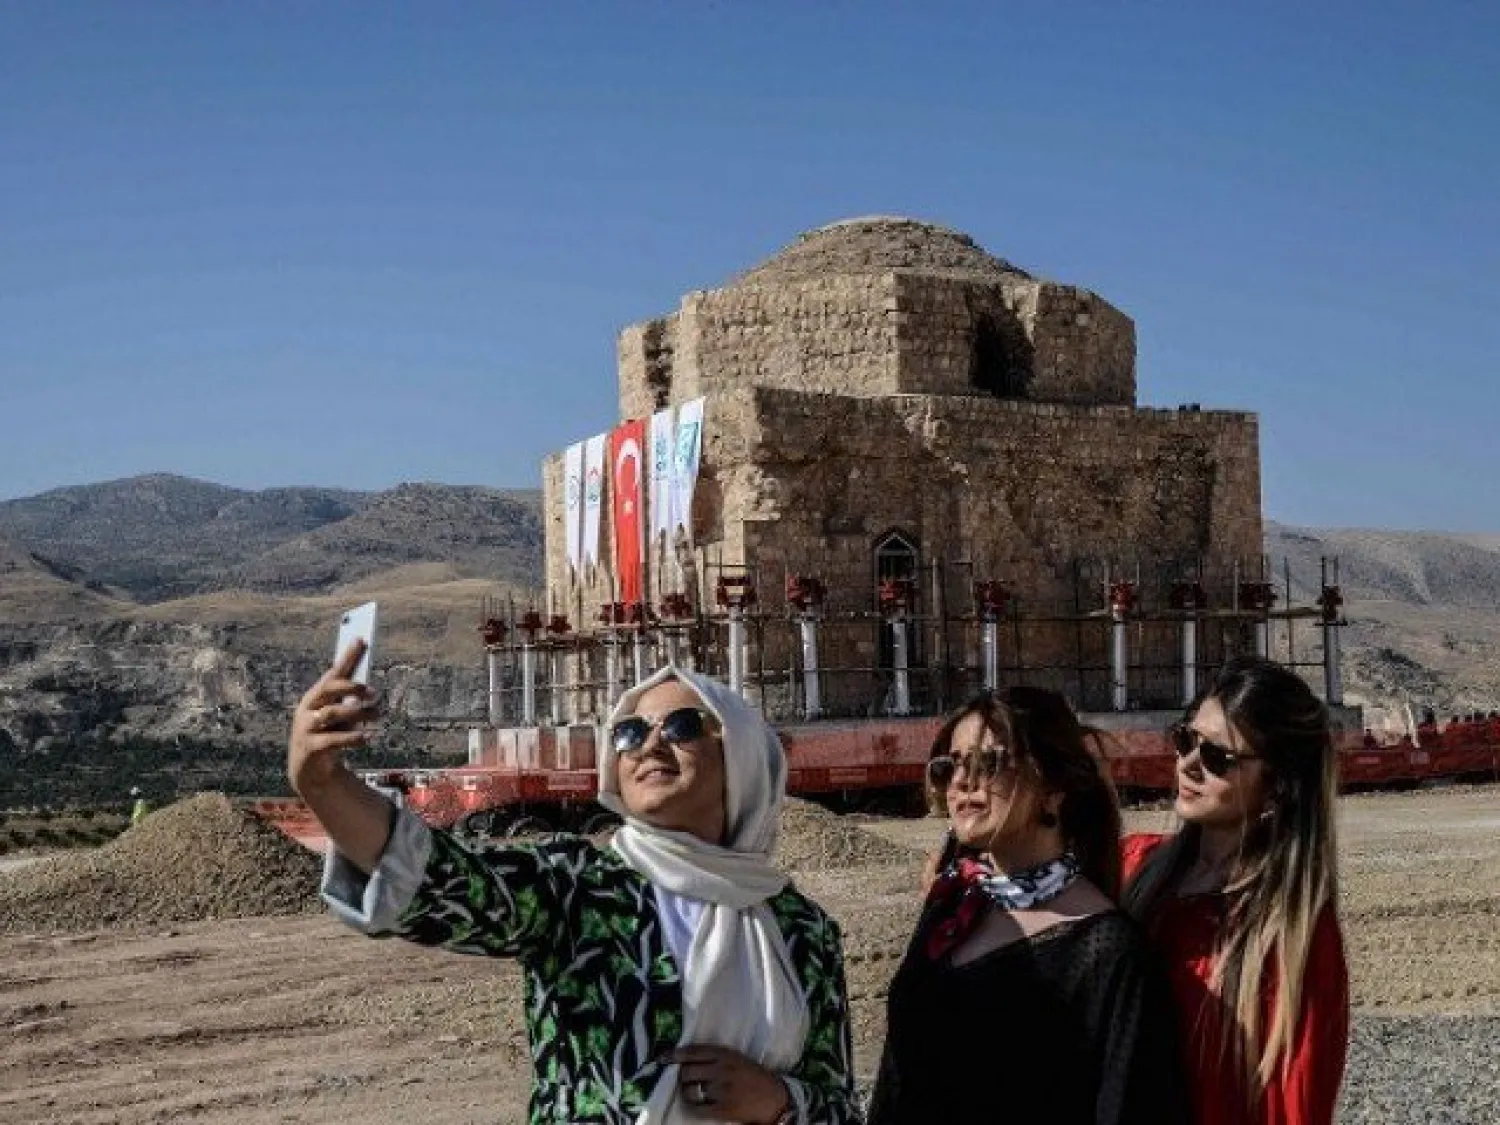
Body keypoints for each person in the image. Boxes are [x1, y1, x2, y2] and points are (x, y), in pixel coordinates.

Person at [291, 642, 858, 1125]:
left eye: (681, 727)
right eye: (629, 733)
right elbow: (445, 884)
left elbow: (839, 1105)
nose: (649, 746)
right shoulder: (581, 890)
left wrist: (780, 1101)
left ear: (743, 756)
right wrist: (322, 784)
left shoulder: (800, 929)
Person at [870, 686, 1188, 1125]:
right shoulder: (951, 908)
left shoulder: (1107, 953)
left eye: (989, 763)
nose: (962, 783)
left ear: (1053, 786)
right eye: (952, 766)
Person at [1122, 657, 1349, 1125]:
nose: (1187, 765)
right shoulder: (1132, 865)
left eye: (1217, 757)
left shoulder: (1290, 933)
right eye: (1186, 740)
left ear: (1278, 787)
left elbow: (1295, 1106)